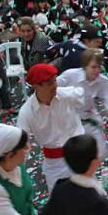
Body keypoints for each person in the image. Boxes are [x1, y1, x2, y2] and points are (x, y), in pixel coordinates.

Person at [17, 63, 85, 191]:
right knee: (58, 200)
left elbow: (86, 97)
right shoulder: (27, 112)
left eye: (55, 80)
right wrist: (17, 172)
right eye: (49, 83)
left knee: (86, 194)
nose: (55, 86)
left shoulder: (68, 94)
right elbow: (22, 144)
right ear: (36, 86)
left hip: (79, 154)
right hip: (54, 163)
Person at [57, 49, 108, 160]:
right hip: (68, 121)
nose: (97, 71)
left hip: (89, 120)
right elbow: (52, 88)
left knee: (100, 153)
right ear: (85, 66)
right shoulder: (70, 75)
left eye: (99, 67)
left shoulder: (102, 81)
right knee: (73, 157)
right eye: (94, 67)